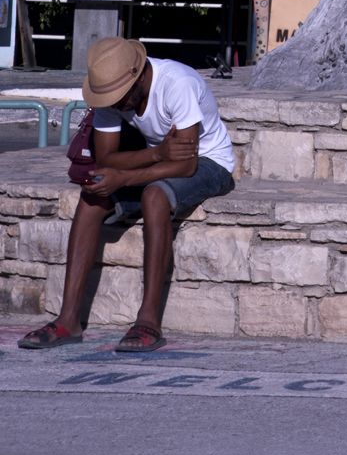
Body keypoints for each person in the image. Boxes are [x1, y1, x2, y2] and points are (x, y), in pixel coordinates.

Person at [18, 37, 236, 353]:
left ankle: (149, 320)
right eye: (111, 99)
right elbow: (106, 160)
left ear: (138, 75)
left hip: (210, 162)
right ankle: (69, 320)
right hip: (162, 158)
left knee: (153, 196)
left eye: (120, 98)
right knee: (92, 194)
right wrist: (157, 153)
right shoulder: (115, 93)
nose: (117, 105)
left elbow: (187, 165)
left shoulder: (179, 83)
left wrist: (127, 175)